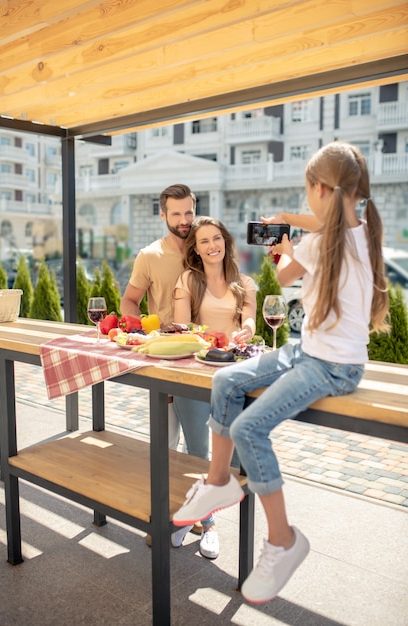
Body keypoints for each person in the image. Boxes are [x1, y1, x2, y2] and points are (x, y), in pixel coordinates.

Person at [172, 142, 389, 602]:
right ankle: (218, 482)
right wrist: (284, 231)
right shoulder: (342, 232)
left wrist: (289, 236)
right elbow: (289, 275)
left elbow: (306, 252)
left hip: (335, 367)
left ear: (322, 188)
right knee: (226, 378)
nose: (307, 200)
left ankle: (284, 541)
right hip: (304, 350)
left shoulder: (341, 239)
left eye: (308, 191)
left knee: (250, 428)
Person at [172, 216, 257, 558]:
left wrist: (248, 328)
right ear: (195, 247)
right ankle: (206, 524)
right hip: (192, 375)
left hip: (232, 381)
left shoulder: (244, 283)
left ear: (226, 242)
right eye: (204, 240)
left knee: (232, 462)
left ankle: (192, 515)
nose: (212, 246)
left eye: (217, 238)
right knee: (196, 455)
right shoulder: (187, 280)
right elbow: (180, 326)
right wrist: (202, 334)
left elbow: (249, 318)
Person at [120, 183, 196, 547]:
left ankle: (202, 520)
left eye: (188, 212)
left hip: (205, 361)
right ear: (163, 215)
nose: (184, 221)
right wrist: (139, 331)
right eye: (176, 214)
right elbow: (130, 301)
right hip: (164, 360)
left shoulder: (206, 245)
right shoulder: (149, 256)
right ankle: (166, 517)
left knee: (200, 449)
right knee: (166, 446)